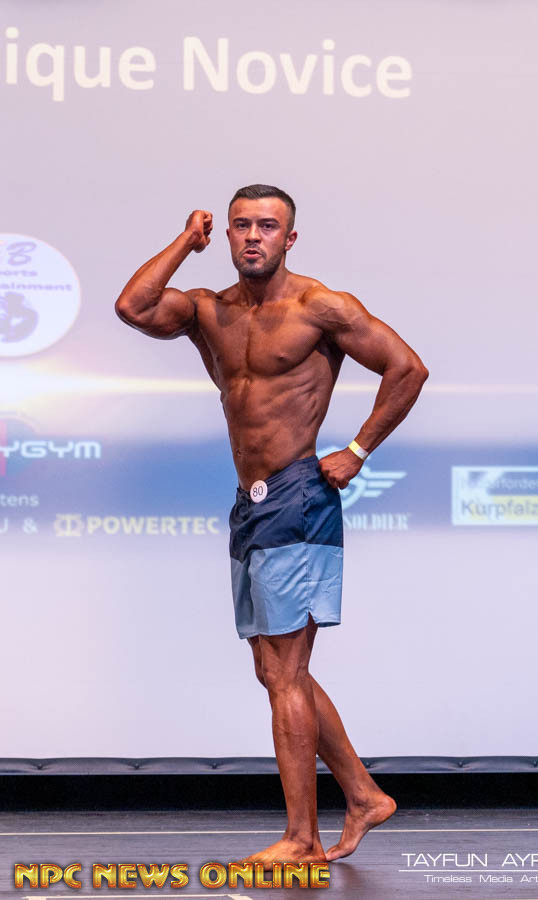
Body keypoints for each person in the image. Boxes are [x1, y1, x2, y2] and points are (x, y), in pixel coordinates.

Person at [115, 184, 429, 867]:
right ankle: (364, 794)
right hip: (250, 502)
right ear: (225, 235)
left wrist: (358, 450)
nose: (253, 236)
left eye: (267, 226)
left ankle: (302, 838)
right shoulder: (208, 310)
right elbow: (133, 306)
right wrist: (184, 241)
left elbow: (407, 368)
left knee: (286, 672)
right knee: (274, 669)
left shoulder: (321, 306)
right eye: (241, 225)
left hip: (298, 495)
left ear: (290, 238)